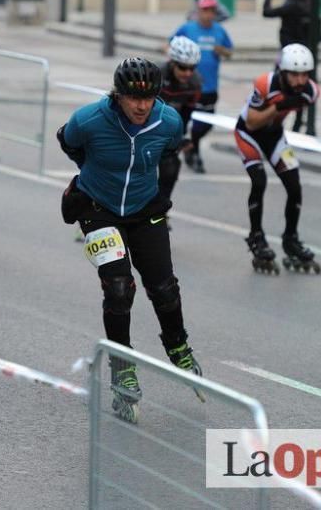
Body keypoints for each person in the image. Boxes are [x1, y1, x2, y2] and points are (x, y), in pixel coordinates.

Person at [57, 57, 203, 423]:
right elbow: (69, 143)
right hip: (98, 207)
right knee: (119, 288)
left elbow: (169, 150)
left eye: (149, 98)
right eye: (132, 98)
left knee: (164, 288)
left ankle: (177, 344)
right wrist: (96, 173)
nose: (141, 106)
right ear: (117, 95)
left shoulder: (168, 121)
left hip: (143, 208)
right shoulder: (89, 120)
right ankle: (122, 366)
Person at [233, 43, 321, 275]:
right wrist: (277, 107)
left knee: (294, 185)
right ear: (282, 71)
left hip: (274, 137)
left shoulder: (311, 91)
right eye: (294, 74)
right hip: (248, 134)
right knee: (259, 181)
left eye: (304, 74)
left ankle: (291, 238)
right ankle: (256, 237)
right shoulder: (264, 84)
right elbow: (252, 122)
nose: (300, 80)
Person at [170, 0, 233, 173]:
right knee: (187, 120)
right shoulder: (187, 29)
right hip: (188, 87)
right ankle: (193, 153)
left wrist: (222, 51)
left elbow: (230, 52)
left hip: (210, 87)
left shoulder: (220, 31)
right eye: (205, 10)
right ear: (198, 12)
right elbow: (171, 45)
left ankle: (191, 146)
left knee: (206, 123)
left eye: (211, 11)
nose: (208, 14)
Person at [262, 0, 320, 133]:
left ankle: (274, 120)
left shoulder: (291, 6)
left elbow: (267, 12)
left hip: (288, 53)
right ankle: (298, 124)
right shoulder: (309, 3)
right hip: (306, 52)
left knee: (277, 84)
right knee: (302, 87)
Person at [157, 36, 202, 210]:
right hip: (142, 125)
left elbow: (186, 114)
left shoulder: (195, 82)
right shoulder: (157, 76)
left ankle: (160, 211)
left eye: (192, 68)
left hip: (167, 129)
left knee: (171, 168)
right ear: (172, 62)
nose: (188, 73)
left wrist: (183, 137)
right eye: (183, 68)